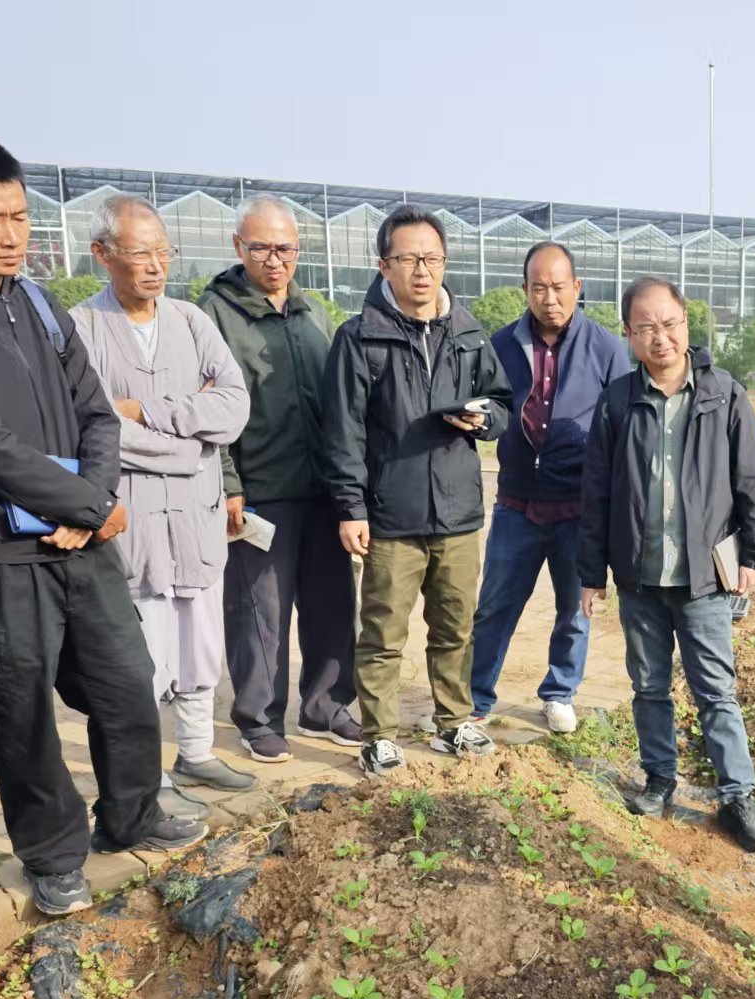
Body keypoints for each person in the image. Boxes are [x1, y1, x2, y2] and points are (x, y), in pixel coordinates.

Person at [0, 135, 204, 917]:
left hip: (81, 542)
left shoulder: (36, 300)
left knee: (128, 686)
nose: (11, 235)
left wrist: (89, 504)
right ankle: (54, 854)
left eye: (21, 217)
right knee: (24, 713)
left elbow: (95, 410)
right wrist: (89, 508)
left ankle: (132, 813)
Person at [578, 275, 755, 853]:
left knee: (716, 689)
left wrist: (754, 554)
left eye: (669, 324)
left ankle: (737, 796)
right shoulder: (617, 400)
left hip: (704, 576)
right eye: (645, 328)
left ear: (686, 323)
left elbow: (751, 478)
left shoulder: (723, 393)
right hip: (640, 575)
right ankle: (660, 780)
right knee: (649, 686)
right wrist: (591, 573)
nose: (659, 337)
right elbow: (597, 495)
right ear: (629, 334)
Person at [70, 196, 254, 813]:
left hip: (196, 518)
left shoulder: (191, 320)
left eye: (163, 252)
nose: (155, 266)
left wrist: (150, 410)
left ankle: (197, 750)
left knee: (201, 636)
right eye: (140, 253)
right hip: (133, 516)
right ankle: (149, 770)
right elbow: (92, 422)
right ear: (103, 255)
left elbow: (233, 406)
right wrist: (187, 445)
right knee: (141, 650)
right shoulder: (82, 327)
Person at [320, 205, 511, 775]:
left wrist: (486, 421)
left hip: (457, 513)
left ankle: (452, 722)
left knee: (454, 627)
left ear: (444, 261)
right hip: (391, 515)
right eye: (408, 259)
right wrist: (351, 508)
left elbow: (501, 401)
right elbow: (343, 431)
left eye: (431, 258)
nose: (422, 271)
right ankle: (379, 733)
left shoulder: (471, 334)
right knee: (382, 632)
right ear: (384, 265)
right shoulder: (360, 338)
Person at [198, 196, 360, 765]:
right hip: (260, 488)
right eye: (262, 247)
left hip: (322, 489)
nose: (275, 259)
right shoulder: (213, 315)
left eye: (285, 248)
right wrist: (227, 483)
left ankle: (326, 704)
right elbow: (205, 409)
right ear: (238, 248)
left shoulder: (313, 311)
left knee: (333, 605)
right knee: (260, 611)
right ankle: (259, 717)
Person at [470, 241, 630, 734]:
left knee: (573, 608)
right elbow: (489, 405)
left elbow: (623, 425)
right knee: (496, 603)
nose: (549, 297)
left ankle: (559, 691)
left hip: (577, 508)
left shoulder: (607, 349)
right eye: (538, 287)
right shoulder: (500, 345)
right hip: (517, 501)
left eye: (559, 287)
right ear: (525, 290)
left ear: (576, 288)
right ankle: (475, 696)